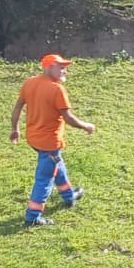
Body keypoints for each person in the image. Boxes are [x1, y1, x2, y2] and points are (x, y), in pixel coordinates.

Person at [10, 53, 96, 227]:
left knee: (57, 164)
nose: (65, 71)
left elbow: (18, 106)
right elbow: (69, 118)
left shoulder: (30, 83)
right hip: (49, 143)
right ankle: (33, 217)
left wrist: (15, 129)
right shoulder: (57, 90)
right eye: (61, 67)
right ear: (49, 68)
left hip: (34, 139)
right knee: (45, 178)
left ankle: (69, 196)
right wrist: (86, 126)